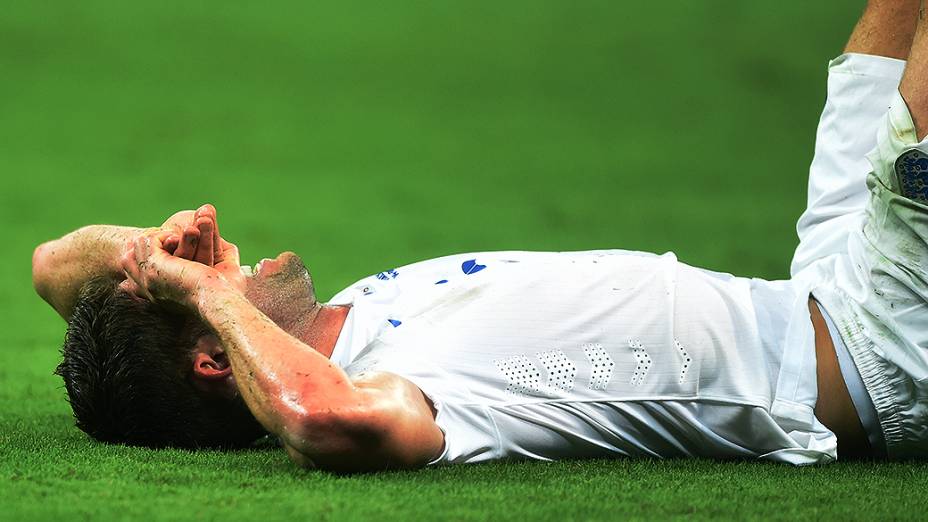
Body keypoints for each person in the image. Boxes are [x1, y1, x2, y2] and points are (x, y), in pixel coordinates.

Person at [32, 0, 928, 472]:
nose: (219, 237)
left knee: (883, 40)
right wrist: (204, 290)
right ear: (216, 357)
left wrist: (149, 255)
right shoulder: (399, 394)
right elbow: (321, 422)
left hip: (819, 285)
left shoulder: (352, 318)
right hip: (872, 353)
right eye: (212, 273)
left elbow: (48, 271)